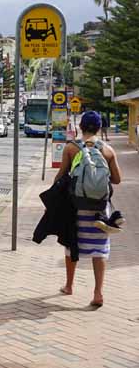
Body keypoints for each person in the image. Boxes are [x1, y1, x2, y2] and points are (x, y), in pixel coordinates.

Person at [54, 110, 122, 307]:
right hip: (100, 211)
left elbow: (60, 176)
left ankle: (69, 285)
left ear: (80, 127)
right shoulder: (108, 150)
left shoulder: (71, 148)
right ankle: (98, 293)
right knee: (99, 250)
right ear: (100, 128)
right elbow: (117, 179)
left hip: (75, 208)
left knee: (71, 244)